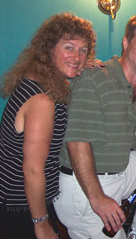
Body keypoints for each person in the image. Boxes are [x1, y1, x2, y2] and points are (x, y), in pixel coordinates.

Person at [52, 13, 136, 239]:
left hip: (119, 172)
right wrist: (98, 198)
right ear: (126, 42)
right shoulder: (94, 78)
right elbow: (77, 143)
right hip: (83, 186)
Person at [0, 13, 96, 239]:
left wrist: (77, 66)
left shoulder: (40, 78)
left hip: (22, 201)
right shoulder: (42, 101)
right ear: (49, 49)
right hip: (20, 207)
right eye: (69, 48)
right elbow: (33, 169)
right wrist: (41, 223)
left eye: (83, 50)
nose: (77, 56)